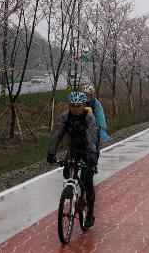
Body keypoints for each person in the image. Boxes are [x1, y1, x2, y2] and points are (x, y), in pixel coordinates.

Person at [46, 92, 98, 228]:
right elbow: (58, 134)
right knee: (67, 169)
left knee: (87, 180)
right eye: (72, 106)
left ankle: (90, 214)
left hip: (89, 149)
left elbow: (91, 138)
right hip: (74, 149)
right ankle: (71, 188)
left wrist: (92, 158)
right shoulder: (66, 116)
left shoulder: (89, 117)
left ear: (83, 105)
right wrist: (51, 152)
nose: (75, 109)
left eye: (78, 106)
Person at [82, 85, 110, 159]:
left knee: (94, 140)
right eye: (85, 95)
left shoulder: (96, 104)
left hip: (93, 125)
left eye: (88, 95)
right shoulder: (79, 102)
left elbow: (100, 117)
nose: (86, 97)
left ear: (91, 96)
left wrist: (99, 127)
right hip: (81, 124)